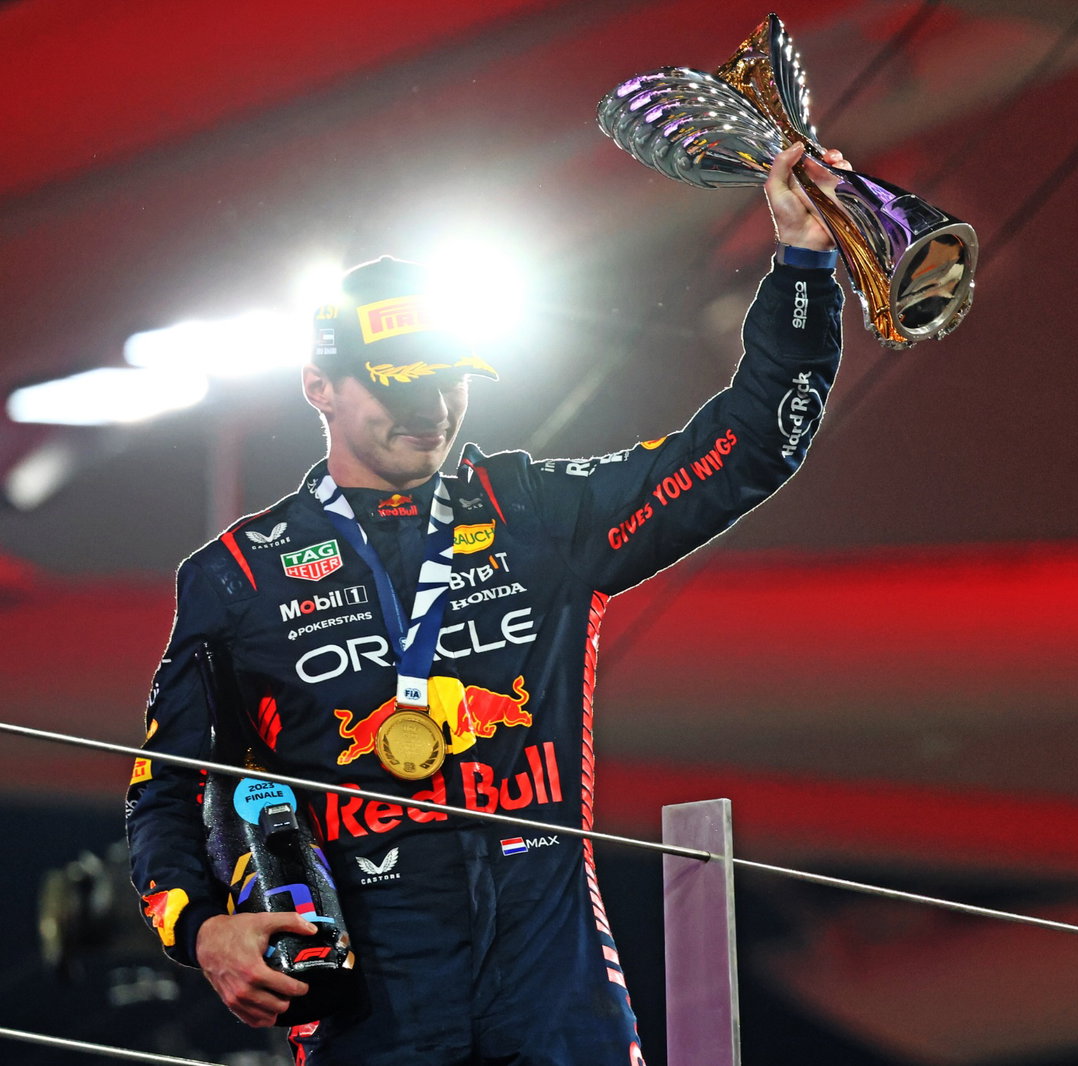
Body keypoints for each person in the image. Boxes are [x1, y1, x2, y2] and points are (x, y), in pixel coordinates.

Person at [126, 142, 847, 1065]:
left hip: (559, 1002)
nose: (430, 407)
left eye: (448, 376)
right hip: (370, 1018)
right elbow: (165, 792)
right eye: (397, 382)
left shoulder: (536, 513)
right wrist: (199, 931)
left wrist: (802, 267)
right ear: (319, 387)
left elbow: (751, 445)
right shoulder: (236, 574)